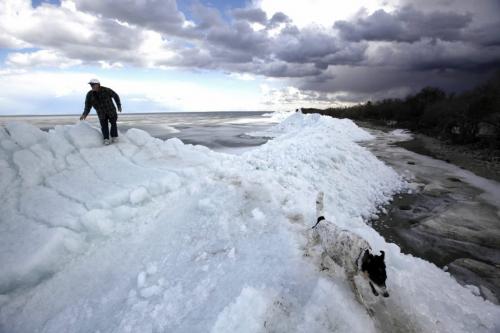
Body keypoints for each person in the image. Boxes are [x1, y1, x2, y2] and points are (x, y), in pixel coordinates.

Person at [80, 78, 122, 145]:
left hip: (111, 111)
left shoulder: (106, 90)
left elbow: (115, 96)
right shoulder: (89, 95)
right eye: (91, 85)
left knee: (113, 123)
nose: (92, 86)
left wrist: (119, 105)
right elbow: (87, 105)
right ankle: (106, 139)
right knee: (104, 126)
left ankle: (114, 137)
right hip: (101, 113)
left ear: (98, 84)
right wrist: (85, 114)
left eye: (93, 84)